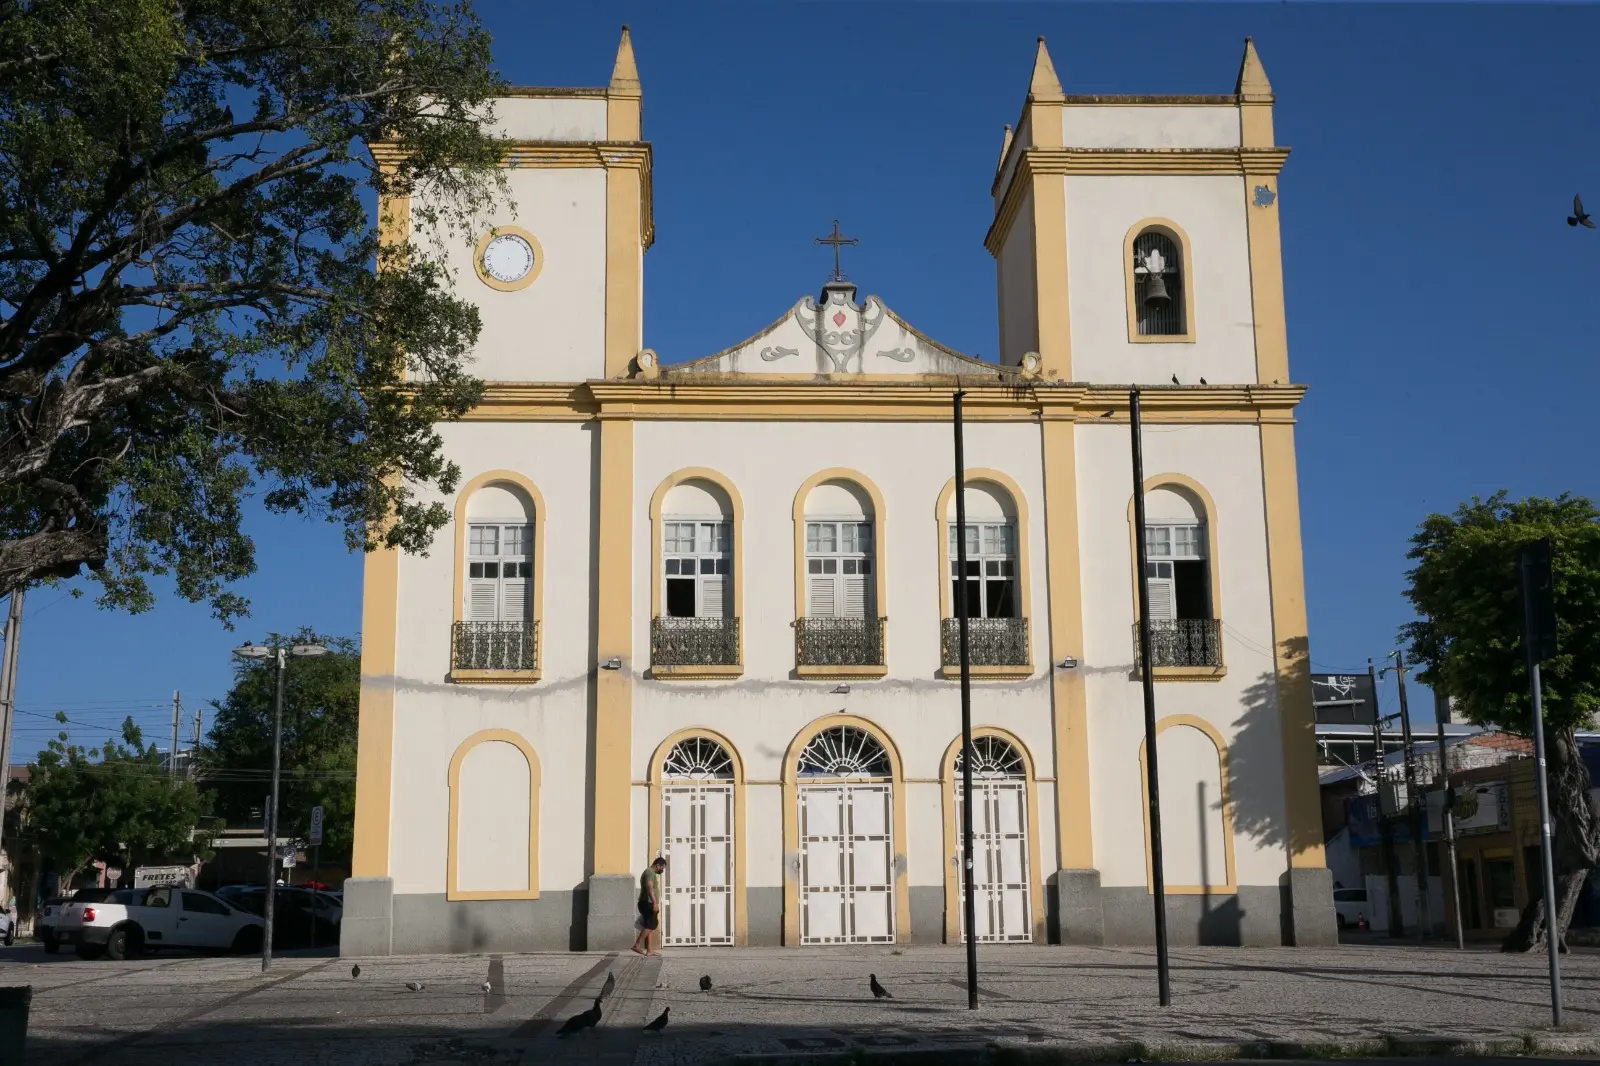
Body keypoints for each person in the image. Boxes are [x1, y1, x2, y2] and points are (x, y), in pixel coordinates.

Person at [630, 856, 666, 956]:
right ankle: (637, 945)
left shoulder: (649, 872)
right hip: (648, 903)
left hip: (647, 902)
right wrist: (654, 903)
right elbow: (650, 888)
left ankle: (649, 950)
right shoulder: (650, 872)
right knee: (652, 925)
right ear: (658, 865)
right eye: (662, 867)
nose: (662, 870)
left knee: (649, 925)